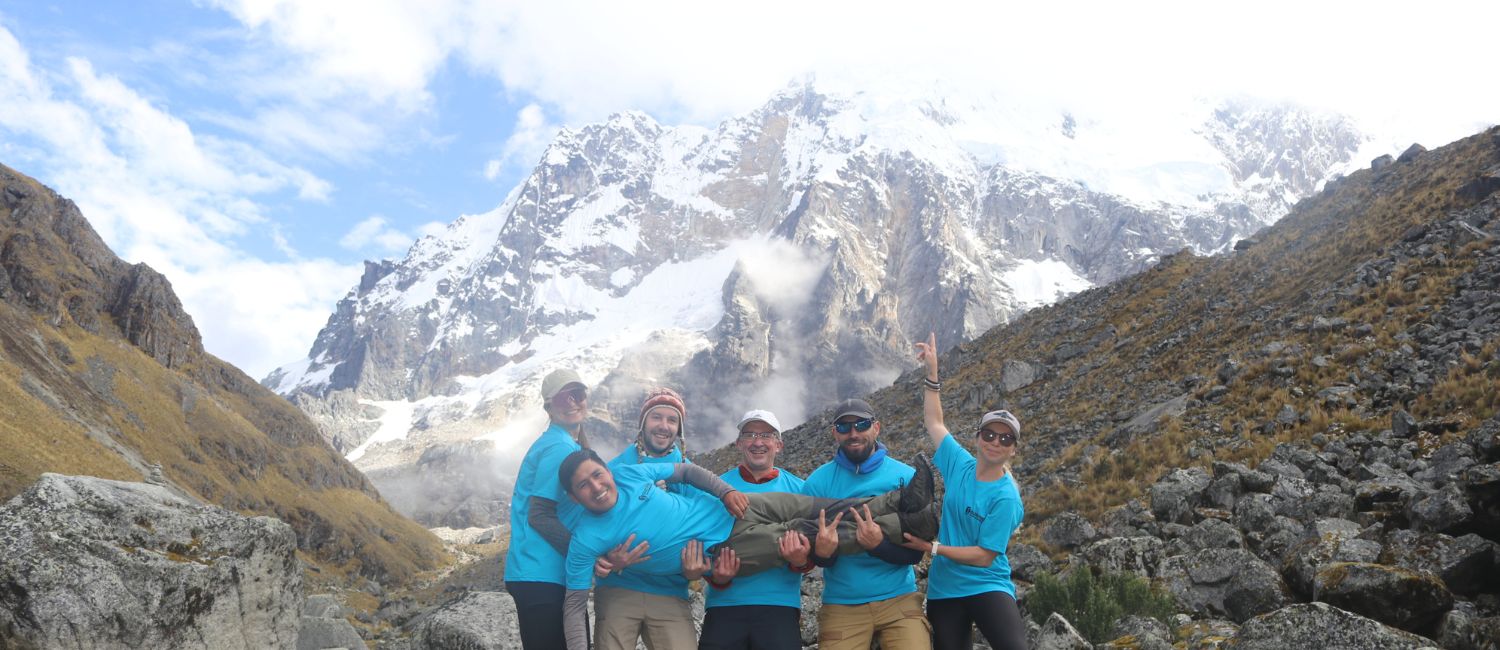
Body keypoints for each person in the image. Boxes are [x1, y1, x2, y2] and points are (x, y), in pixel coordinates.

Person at [558, 448, 938, 650]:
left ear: (606, 468)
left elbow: (687, 472)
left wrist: (725, 491)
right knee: (807, 531)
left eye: (596, 474)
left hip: (732, 506)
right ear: (575, 497)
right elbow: (574, 606)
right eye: (583, 486)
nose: (595, 486)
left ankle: (899, 500)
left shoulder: (629, 472)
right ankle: (908, 523)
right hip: (725, 547)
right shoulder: (587, 539)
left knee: (818, 507)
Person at [908, 332, 1027, 650]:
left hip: (988, 584)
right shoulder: (959, 464)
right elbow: (934, 422)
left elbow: (984, 556)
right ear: (978, 438)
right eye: (990, 434)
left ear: (1013, 449)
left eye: (1005, 439)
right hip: (945, 589)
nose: (995, 442)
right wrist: (932, 373)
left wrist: (932, 548)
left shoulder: (1006, 497)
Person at [802, 398, 936, 650]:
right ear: (834, 433)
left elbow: (915, 555)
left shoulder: (906, 477)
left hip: (899, 599)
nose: (853, 433)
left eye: (861, 425)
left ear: (876, 428)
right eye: (844, 428)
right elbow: (817, 558)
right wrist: (823, 552)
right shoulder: (817, 483)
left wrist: (878, 546)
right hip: (842, 604)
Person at [690, 410, 811, 650]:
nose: (757, 442)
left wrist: (801, 561)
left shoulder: (801, 489)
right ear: (739, 443)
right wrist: (716, 577)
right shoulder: (716, 489)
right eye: (750, 435)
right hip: (724, 607)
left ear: (779, 445)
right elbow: (700, 545)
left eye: (766, 435)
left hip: (780, 607)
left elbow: (814, 547)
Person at [594, 387, 700, 650]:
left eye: (672, 420)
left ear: (679, 429)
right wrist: (605, 558)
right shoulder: (616, 469)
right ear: (642, 424)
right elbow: (594, 520)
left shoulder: (690, 473)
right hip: (619, 589)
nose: (664, 426)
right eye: (656, 417)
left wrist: (697, 568)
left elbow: (699, 524)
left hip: (670, 591)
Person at [503, 368, 593, 649]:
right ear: (549, 407)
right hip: (542, 576)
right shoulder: (559, 448)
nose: (572, 403)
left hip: (540, 575)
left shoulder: (564, 443)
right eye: (563, 398)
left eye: (577, 395)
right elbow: (539, 514)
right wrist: (584, 555)